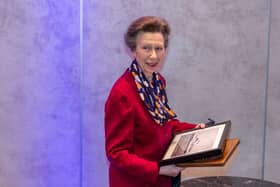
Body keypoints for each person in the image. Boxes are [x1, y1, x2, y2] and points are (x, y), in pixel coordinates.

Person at [105, 16, 205, 187]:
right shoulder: (122, 94)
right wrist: (158, 169)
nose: (154, 56)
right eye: (146, 48)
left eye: (159, 48)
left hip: (160, 180)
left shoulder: (157, 82)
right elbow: (116, 154)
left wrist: (194, 129)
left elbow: (165, 124)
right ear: (133, 50)